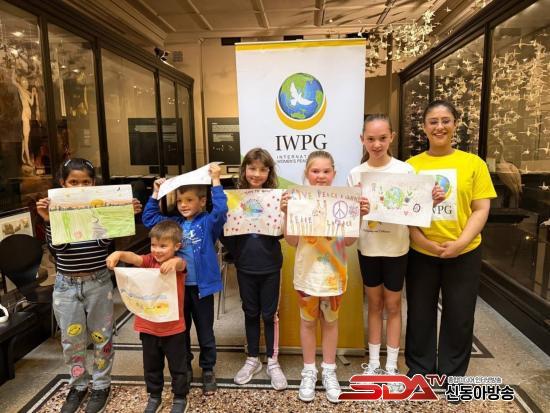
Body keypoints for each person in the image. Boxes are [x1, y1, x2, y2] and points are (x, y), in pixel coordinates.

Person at [36, 158, 142, 413]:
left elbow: (102, 244)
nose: (80, 187)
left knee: (102, 337)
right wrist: (49, 220)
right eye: (73, 182)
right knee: (71, 339)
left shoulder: (99, 209)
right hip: (65, 285)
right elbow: (59, 248)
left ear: (94, 184)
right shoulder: (56, 211)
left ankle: (102, 384)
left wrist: (123, 214)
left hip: (98, 282)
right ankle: (78, 384)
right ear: (63, 184)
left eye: (86, 182)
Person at [347, 114, 444, 381]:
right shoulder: (355, 174)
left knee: (393, 305)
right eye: (370, 139)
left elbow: (415, 210)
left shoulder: (405, 171)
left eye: (382, 138)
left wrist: (432, 201)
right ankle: (374, 362)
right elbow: (350, 218)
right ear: (362, 139)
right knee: (374, 304)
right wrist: (357, 210)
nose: (376, 144)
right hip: (368, 248)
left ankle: (391, 364)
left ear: (392, 137)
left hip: (397, 249)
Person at [405, 100, 496, 379]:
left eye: (446, 120)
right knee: (420, 313)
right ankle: (420, 369)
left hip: (464, 252)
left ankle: (453, 373)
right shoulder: (410, 167)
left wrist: (460, 243)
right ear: (424, 127)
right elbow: (405, 211)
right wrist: (423, 242)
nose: (439, 127)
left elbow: (481, 209)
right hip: (421, 252)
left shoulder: (473, 164)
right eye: (433, 121)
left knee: (459, 314)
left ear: (455, 124)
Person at [280, 150, 361, 403]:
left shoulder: (342, 201)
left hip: (334, 275)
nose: (321, 176)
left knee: (330, 322)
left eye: (326, 171)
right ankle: (308, 371)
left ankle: (328, 371)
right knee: (307, 323)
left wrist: (358, 214)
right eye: (315, 171)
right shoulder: (298, 200)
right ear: (307, 173)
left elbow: (349, 241)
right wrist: (287, 212)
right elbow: (292, 241)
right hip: (306, 275)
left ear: (334, 173)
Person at [142, 163, 227, 395]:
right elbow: (149, 218)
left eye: (189, 200)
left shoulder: (208, 222)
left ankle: (207, 369)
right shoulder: (174, 224)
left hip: (201, 288)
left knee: (205, 331)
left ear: (202, 201)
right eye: (179, 201)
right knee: (181, 331)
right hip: (176, 289)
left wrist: (216, 181)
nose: (183, 205)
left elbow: (220, 211)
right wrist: (156, 193)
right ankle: (185, 366)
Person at [221, 148, 287, 390]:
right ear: (244, 170)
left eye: (262, 169)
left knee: (270, 315)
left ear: (269, 172)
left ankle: (272, 360)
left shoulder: (276, 198)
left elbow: (281, 233)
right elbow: (224, 231)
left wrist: (285, 211)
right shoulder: (234, 198)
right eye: (252, 168)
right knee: (250, 312)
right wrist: (238, 252)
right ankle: (252, 358)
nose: (257, 174)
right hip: (245, 266)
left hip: (270, 265)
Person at [106, 220, 189, 413]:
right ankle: (154, 395)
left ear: (177, 246)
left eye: (163, 246)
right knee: (151, 365)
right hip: (148, 327)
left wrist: (174, 262)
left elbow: (181, 265)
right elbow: (134, 258)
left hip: (174, 328)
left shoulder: (178, 263)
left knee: (178, 365)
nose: (157, 250)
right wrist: (119, 253)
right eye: (153, 245)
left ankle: (180, 397)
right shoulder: (149, 261)